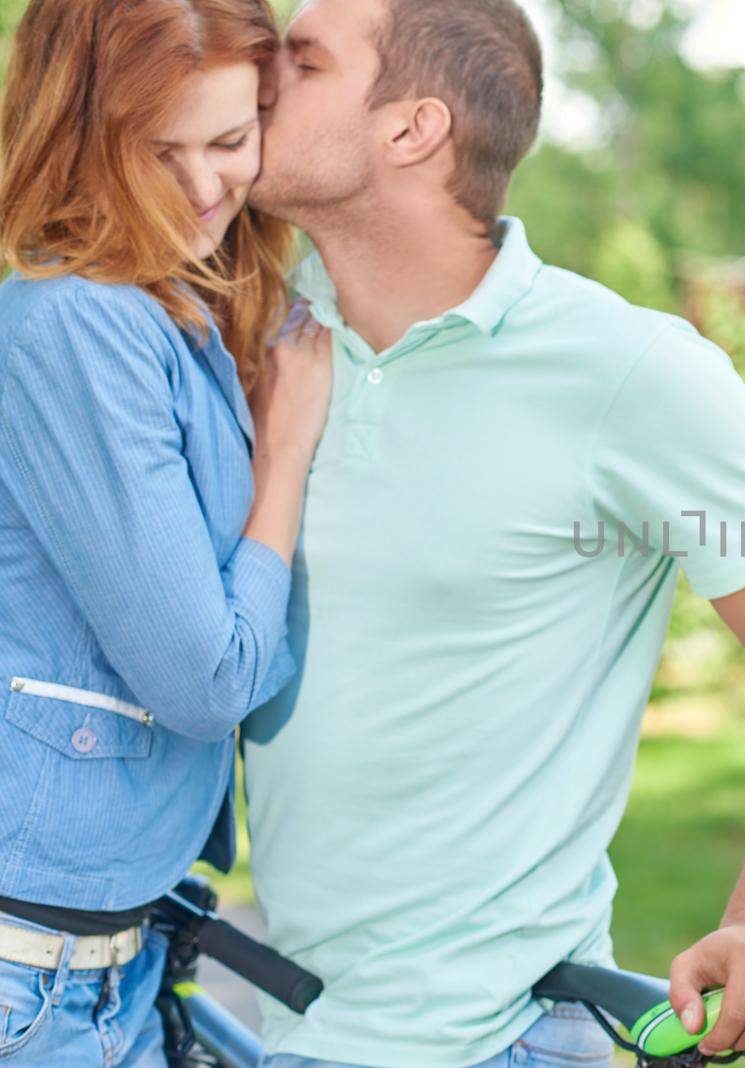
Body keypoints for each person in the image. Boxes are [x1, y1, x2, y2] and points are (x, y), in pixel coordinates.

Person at [237, 1, 745, 1066]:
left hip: (502, 1040)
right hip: (296, 1031)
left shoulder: (628, 373)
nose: (261, 81)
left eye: (302, 61)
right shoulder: (257, 340)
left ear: (413, 128)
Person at [0, 0, 331, 1063]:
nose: (202, 190)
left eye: (232, 142)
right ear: (80, 142)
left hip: (108, 969)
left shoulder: (176, 309)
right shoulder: (74, 322)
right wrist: (283, 456)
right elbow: (205, 679)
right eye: (158, 152)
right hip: (28, 985)